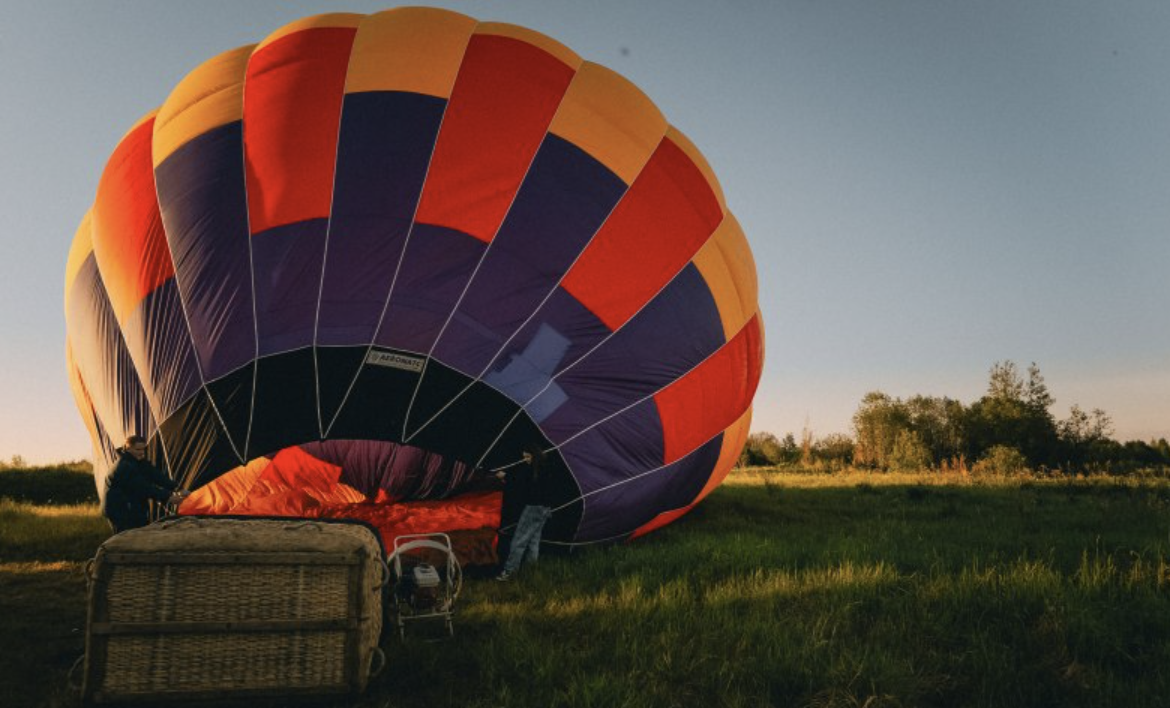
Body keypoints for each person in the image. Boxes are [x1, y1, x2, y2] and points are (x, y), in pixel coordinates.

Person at [101, 435, 186, 533]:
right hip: (119, 509)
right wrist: (168, 497)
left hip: (131, 506)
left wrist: (177, 488)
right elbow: (144, 488)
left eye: (143, 449)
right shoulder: (124, 466)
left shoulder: (138, 461)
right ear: (128, 448)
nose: (141, 452)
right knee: (127, 539)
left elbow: (155, 475)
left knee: (140, 533)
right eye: (138, 449)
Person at [494, 444, 554, 581]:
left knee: (518, 541)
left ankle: (509, 572)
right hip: (545, 509)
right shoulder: (545, 467)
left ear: (534, 455)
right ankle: (531, 571)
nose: (526, 460)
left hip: (534, 508)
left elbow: (522, 483)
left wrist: (506, 476)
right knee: (533, 541)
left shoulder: (536, 470)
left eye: (527, 457)